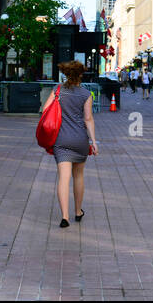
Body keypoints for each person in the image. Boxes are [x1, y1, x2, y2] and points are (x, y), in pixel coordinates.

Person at [51, 61, 98, 228]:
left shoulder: (58, 91)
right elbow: (88, 119)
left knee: (63, 178)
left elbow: (45, 109)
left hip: (61, 140)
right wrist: (93, 141)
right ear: (80, 75)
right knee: (78, 176)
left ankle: (64, 217)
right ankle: (78, 212)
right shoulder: (86, 94)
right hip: (80, 140)